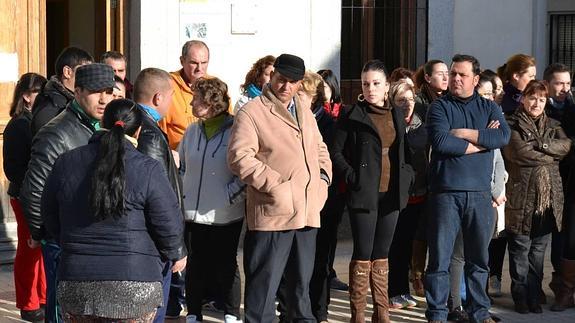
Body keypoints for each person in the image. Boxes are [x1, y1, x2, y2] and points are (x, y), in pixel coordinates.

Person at [41, 99, 185, 322]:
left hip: (77, 283)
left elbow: (49, 216)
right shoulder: (148, 169)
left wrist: (71, 243)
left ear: (102, 122)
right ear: (138, 132)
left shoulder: (66, 163)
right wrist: (175, 253)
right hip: (136, 287)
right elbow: (169, 228)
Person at [227, 53, 331, 323]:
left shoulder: (304, 110)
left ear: (300, 84)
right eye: (281, 79)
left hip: (307, 212)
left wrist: (323, 180)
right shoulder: (252, 111)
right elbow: (240, 157)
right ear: (271, 77)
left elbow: (320, 148)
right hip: (273, 214)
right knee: (262, 294)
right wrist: (278, 186)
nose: (286, 86)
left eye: (293, 82)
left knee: (300, 293)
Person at [20, 63, 116, 323]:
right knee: (64, 312)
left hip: (96, 240)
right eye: (97, 91)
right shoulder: (56, 133)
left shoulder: (105, 128)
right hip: (65, 243)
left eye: (109, 91)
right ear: (78, 91)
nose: (104, 99)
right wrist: (48, 235)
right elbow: (33, 192)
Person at [425, 54, 510, 323]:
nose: (456, 79)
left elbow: (502, 136)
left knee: (478, 261)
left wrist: (463, 133)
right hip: (446, 194)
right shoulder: (438, 108)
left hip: (480, 195)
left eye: (462, 75)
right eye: (453, 74)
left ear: (475, 79)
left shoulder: (489, 108)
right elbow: (440, 142)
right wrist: (482, 141)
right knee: (439, 261)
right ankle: (437, 314)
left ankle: (479, 313)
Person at [331, 60, 413, 323]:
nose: (370, 89)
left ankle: (382, 313)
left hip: (392, 194)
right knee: (363, 253)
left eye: (376, 83)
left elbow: (407, 152)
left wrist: (408, 177)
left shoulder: (397, 114)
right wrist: (352, 176)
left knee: (382, 255)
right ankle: (358, 315)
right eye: (366, 84)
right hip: (364, 194)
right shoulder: (352, 114)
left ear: (387, 85)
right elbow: (335, 152)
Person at [178, 77, 245, 323]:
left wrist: (229, 196)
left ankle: (231, 312)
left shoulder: (236, 129)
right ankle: (194, 311)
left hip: (224, 213)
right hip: (193, 211)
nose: (192, 103)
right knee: (195, 263)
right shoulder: (192, 130)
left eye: (196, 99)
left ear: (210, 103)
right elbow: (183, 166)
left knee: (226, 264)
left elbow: (245, 172)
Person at [502, 80, 571, 314]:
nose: (537, 103)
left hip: (548, 199)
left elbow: (566, 146)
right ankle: (520, 295)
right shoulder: (511, 124)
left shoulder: (553, 124)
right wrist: (551, 155)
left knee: (539, 252)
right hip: (521, 196)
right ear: (523, 99)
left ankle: (534, 294)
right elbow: (518, 153)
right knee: (520, 249)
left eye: (542, 99)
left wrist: (541, 143)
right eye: (532, 98)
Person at [132, 68, 188, 322]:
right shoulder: (150, 134)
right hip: (153, 242)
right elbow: (157, 196)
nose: (171, 102)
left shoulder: (140, 126)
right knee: (154, 309)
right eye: (171, 96)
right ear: (157, 98)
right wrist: (175, 246)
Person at [3, 73, 47, 323]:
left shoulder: (34, 121)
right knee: (28, 249)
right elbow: (13, 168)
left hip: (35, 194)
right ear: (26, 96)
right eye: (38, 92)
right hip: (24, 196)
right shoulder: (19, 125)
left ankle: (41, 297)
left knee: (39, 249)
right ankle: (28, 303)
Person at [387, 80, 427, 310]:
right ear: (392, 101)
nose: (407, 105)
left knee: (407, 246)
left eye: (410, 100)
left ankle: (402, 290)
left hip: (418, 193)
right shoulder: (390, 124)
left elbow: (418, 143)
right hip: (395, 194)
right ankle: (394, 291)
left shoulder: (420, 123)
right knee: (396, 246)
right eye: (401, 100)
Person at [543, 63, 575, 304]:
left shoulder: (573, 108)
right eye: (559, 83)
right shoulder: (540, 109)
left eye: (567, 83)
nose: (564, 88)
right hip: (547, 179)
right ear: (547, 84)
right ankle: (559, 285)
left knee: (567, 236)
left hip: (571, 180)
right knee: (554, 236)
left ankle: (565, 286)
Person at [159, 40, 229, 150]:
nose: (199, 68)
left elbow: (229, 123)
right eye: (194, 63)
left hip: (212, 153)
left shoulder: (216, 87)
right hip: (177, 159)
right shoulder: (167, 85)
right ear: (182, 61)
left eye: (204, 62)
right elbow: (159, 131)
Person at [31, 46, 93, 135]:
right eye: (84, 72)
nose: (89, 78)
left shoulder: (79, 103)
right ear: (67, 72)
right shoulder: (49, 110)